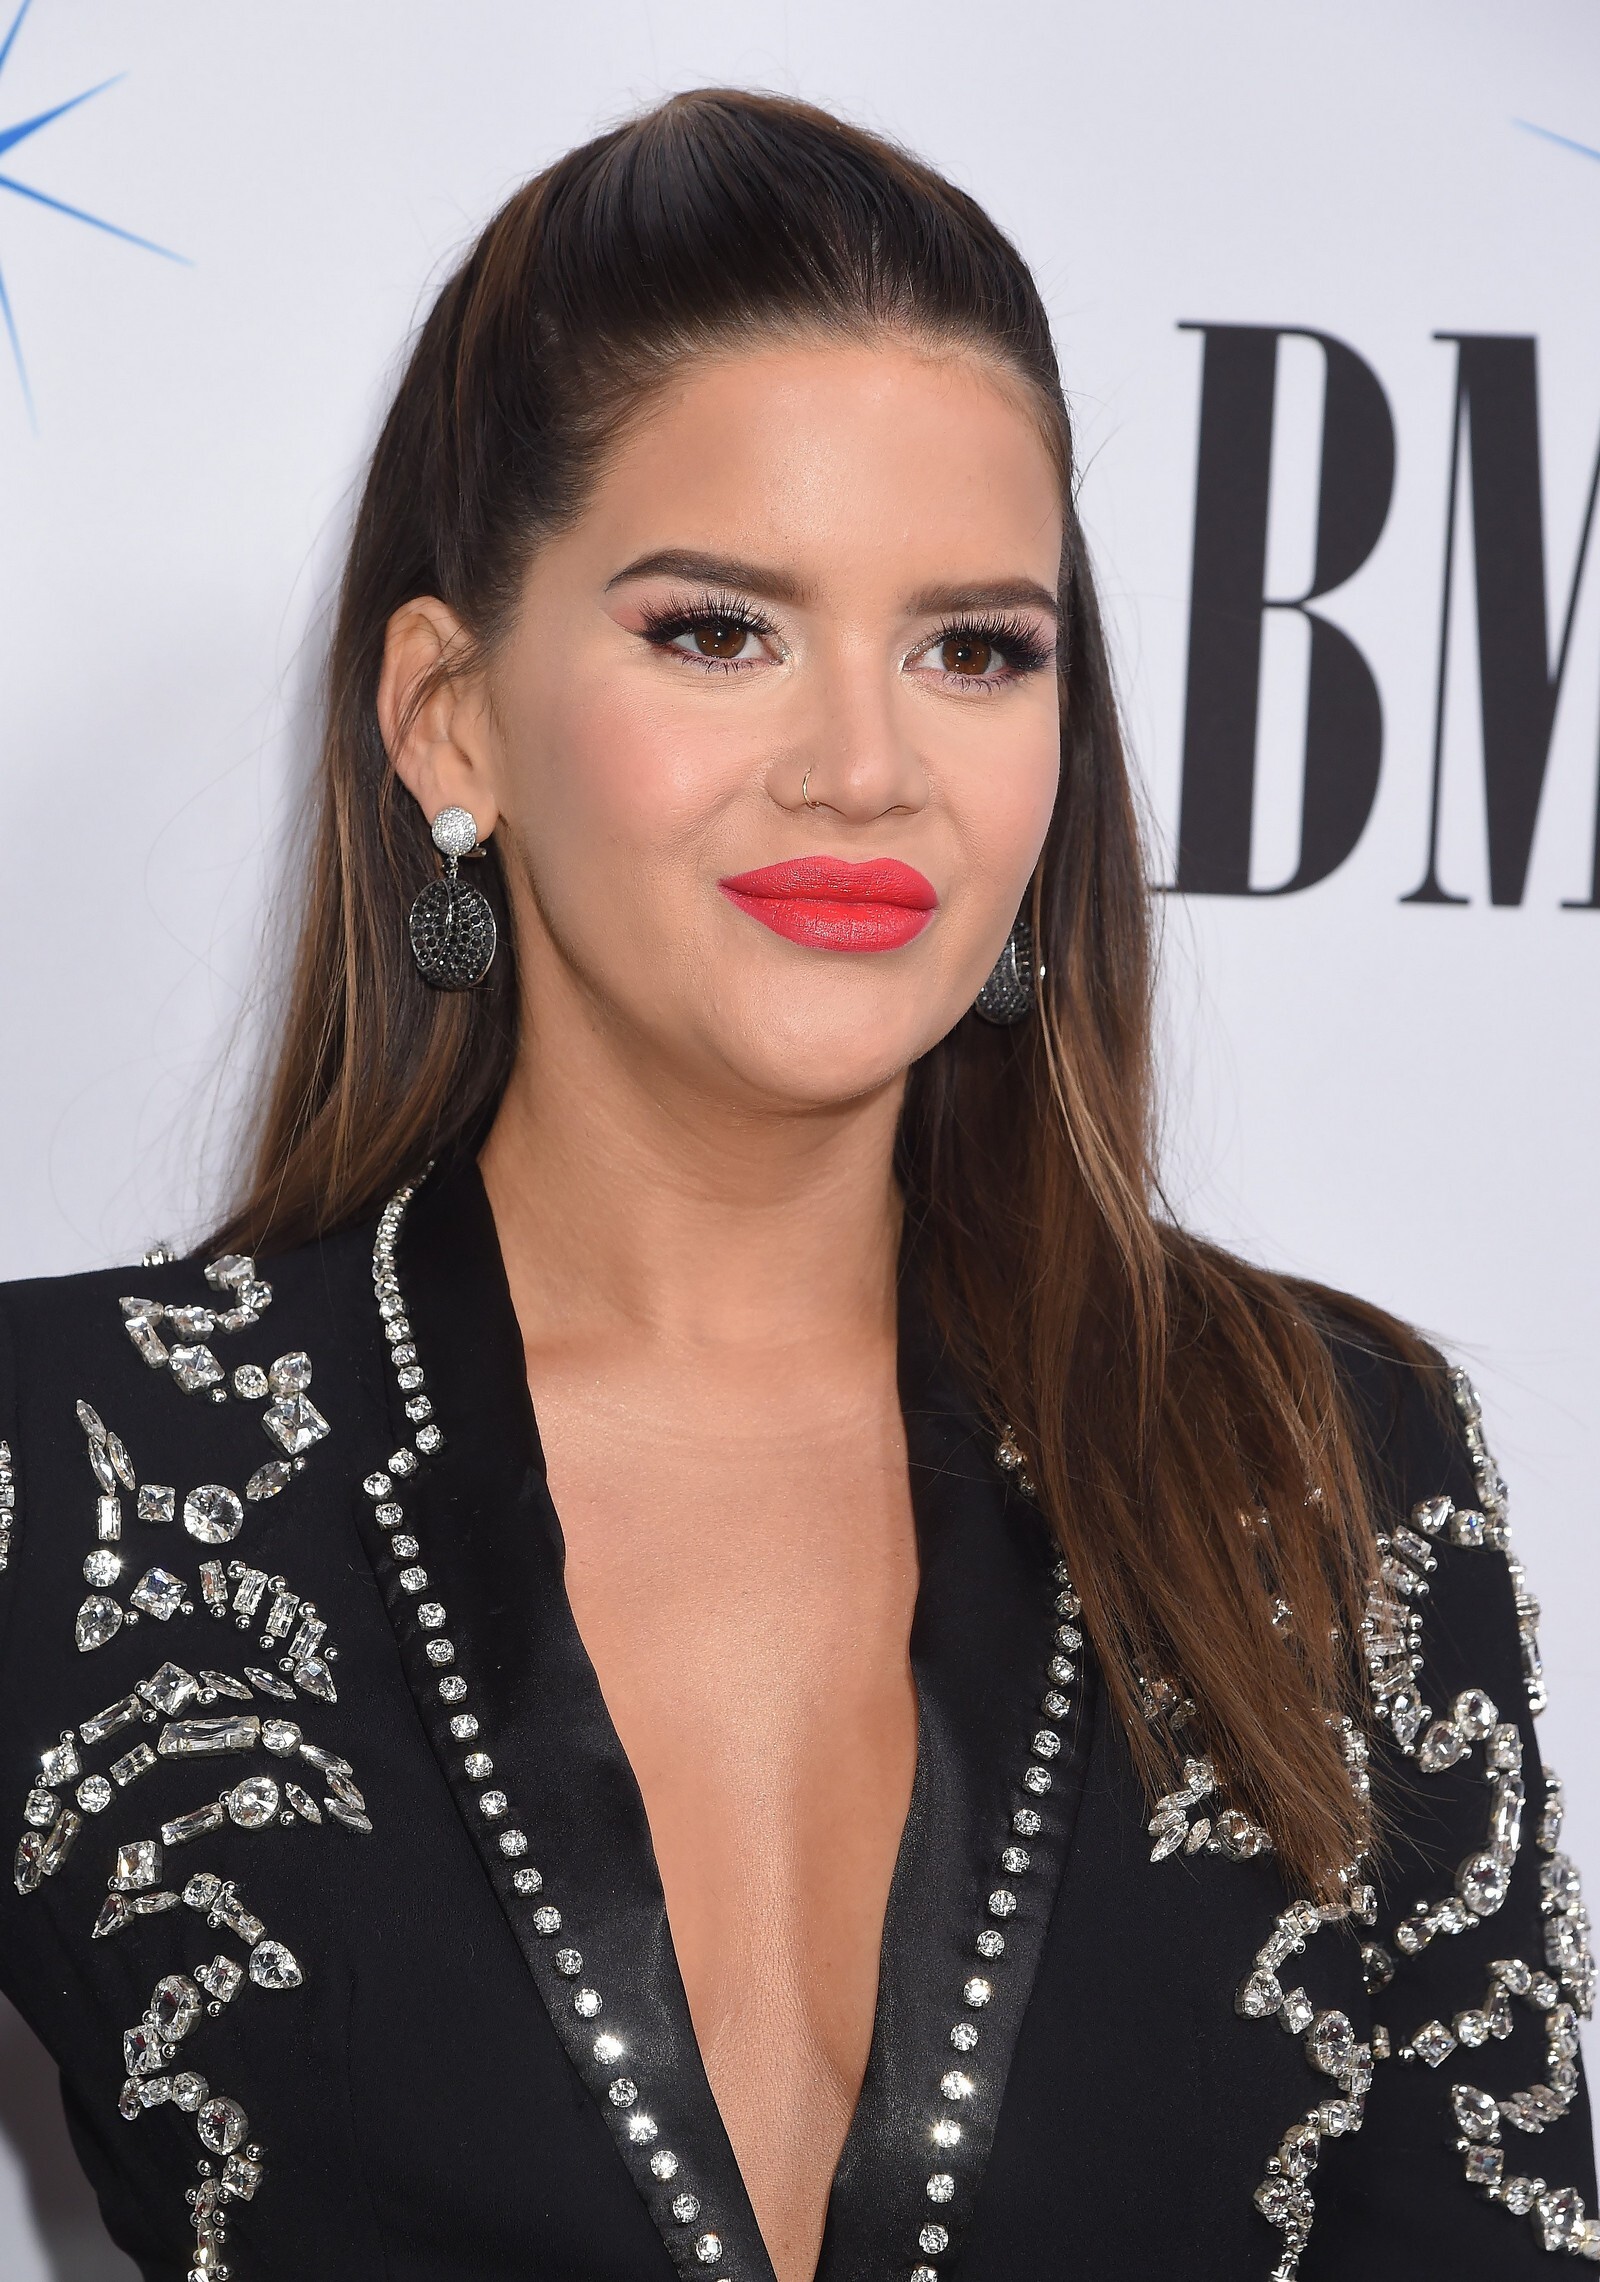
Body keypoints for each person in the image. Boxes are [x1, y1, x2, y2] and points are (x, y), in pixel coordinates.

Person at [0, 88, 1592, 2282]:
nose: (864, 764)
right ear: (451, 716)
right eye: (716, 629)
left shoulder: (1318, 1459)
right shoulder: (76, 1469)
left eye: (974, 648)